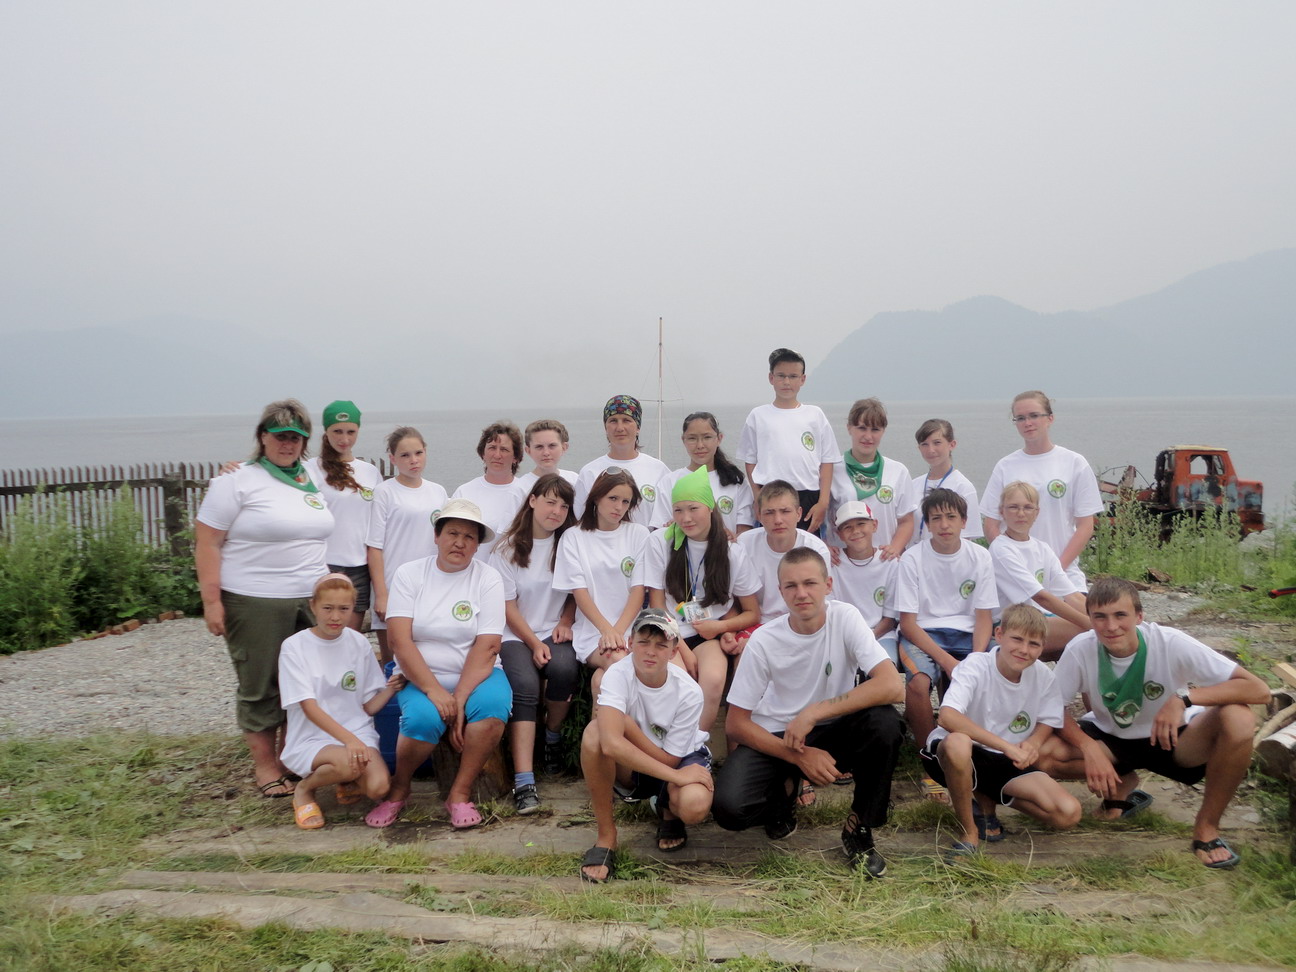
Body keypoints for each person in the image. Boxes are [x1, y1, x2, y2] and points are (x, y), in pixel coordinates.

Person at [1037, 578, 1269, 869]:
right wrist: (1088, 747)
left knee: (1239, 718)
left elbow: (1258, 690)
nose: (1111, 626)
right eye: (1100, 617)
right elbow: (1051, 707)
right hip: (1112, 738)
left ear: (1139, 616)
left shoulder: (1170, 642)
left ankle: (1207, 827)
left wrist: (1184, 698)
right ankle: (1123, 782)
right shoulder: (1081, 648)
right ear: (1090, 619)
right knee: (1043, 755)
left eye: (1120, 615)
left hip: (1174, 737)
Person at [713, 548, 904, 877]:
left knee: (885, 722)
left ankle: (858, 828)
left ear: (828, 585)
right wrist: (799, 757)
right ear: (780, 591)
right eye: (791, 586)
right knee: (730, 809)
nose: (801, 593)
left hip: (835, 729)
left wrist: (814, 712)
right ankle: (783, 797)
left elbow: (892, 685)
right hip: (779, 735)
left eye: (810, 583)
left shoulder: (846, 618)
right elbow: (736, 724)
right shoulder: (764, 640)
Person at [195, 399, 334, 799]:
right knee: (260, 685)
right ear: (262, 437)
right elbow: (207, 542)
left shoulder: (311, 476)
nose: (287, 444)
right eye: (280, 436)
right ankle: (265, 767)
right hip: (254, 598)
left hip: (310, 598)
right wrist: (211, 602)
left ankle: (292, 759)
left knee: (305, 683)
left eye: (295, 438)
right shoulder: (236, 481)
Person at [365, 498, 513, 830]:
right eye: (452, 533)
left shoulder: (487, 578)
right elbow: (400, 641)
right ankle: (400, 787)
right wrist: (434, 691)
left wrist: (458, 698)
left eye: (469, 537)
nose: (460, 542)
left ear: (477, 545)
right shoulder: (409, 574)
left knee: (492, 712)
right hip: (420, 675)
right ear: (437, 536)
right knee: (422, 719)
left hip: (476, 674)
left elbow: (488, 645)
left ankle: (459, 793)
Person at [922, 603, 1082, 858]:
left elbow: (1049, 719)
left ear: (1043, 647)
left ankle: (987, 794)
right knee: (958, 743)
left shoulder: (1043, 675)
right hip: (962, 753)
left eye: (1033, 644)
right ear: (999, 634)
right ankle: (969, 832)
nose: (1024, 650)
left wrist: (1034, 743)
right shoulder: (976, 665)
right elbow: (947, 716)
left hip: (1005, 760)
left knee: (1068, 813)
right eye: (1017, 639)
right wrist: (1006, 746)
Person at [578, 609, 715, 881]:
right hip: (644, 764)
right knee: (594, 734)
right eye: (643, 642)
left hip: (678, 759)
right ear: (630, 643)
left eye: (661, 645)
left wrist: (627, 727)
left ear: (673, 651)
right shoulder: (617, 674)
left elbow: (670, 760)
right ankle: (606, 836)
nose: (651, 652)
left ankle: (668, 809)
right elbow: (610, 744)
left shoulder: (689, 691)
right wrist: (627, 729)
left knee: (695, 805)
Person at [278, 573, 406, 830]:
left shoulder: (358, 642)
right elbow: (309, 708)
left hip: (356, 732)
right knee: (350, 761)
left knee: (379, 787)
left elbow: (368, 707)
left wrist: (392, 688)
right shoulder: (294, 647)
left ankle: (345, 778)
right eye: (328, 608)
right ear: (313, 606)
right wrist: (350, 741)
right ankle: (305, 789)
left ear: (352, 609)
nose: (335, 617)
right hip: (313, 735)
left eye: (344, 609)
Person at [894, 488, 997, 802]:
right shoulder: (912, 558)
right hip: (924, 633)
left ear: (964, 521)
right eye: (936, 518)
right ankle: (931, 763)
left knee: (993, 674)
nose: (944, 524)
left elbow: (983, 617)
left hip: (968, 635)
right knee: (918, 683)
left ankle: (984, 753)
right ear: (926, 524)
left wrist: (974, 661)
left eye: (951, 517)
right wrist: (949, 662)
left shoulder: (980, 556)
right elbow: (908, 624)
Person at [489, 474, 580, 813]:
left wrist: (566, 621)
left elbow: (576, 592)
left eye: (563, 506)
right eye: (550, 502)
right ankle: (524, 780)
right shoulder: (507, 547)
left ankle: (551, 738)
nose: (556, 511)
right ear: (532, 501)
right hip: (515, 633)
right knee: (525, 686)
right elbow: (507, 606)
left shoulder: (569, 544)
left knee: (565, 669)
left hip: (553, 630)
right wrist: (532, 642)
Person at [645, 466, 760, 731]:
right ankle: (667, 746)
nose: (685, 518)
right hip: (668, 631)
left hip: (709, 634)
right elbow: (657, 605)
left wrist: (720, 627)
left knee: (714, 680)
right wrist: (681, 648)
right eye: (678, 510)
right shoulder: (659, 542)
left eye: (693, 508)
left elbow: (752, 612)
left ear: (710, 507)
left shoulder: (732, 552)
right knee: (677, 678)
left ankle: (696, 745)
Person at [981, 390, 1104, 590]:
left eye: (1034, 415)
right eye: (1020, 418)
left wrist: (1055, 570)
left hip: (1064, 573)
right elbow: (991, 525)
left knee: (1081, 611)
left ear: (1050, 418)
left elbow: (1085, 526)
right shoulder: (1005, 466)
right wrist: (1013, 566)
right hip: (1017, 578)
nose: (1027, 423)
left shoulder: (1074, 463)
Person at [554, 467, 652, 694]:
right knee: (619, 662)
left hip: (633, 630)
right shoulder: (573, 537)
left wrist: (618, 632)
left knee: (602, 681)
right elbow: (580, 592)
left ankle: (600, 715)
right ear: (597, 497)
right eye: (613, 498)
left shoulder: (639, 534)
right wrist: (607, 631)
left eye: (626, 501)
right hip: (592, 632)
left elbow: (638, 590)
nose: (619, 507)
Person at [366, 427, 449, 665]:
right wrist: (381, 595)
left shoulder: (438, 492)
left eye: (418, 453)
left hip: (430, 588)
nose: (413, 460)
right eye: (405, 455)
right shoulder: (384, 492)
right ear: (392, 459)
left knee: (428, 662)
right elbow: (374, 547)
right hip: (394, 587)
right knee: (394, 665)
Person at [736, 348, 840, 533]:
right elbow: (750, 460)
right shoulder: (758, 416)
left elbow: (827, 460)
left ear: (802, 379)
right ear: (771, 378)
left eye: (793, 376)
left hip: (808, 496)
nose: (786, 382)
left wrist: (823, 501)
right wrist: (758, 496)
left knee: (807, 548)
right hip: (770, 495)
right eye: (781, 376)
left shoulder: (815, 415)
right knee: (772, 546)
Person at [988, 480, 1090, 655]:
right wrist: (1092, 624)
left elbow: (1072, 595)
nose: (1021, 513)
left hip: (1041, 617)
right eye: (1013, 507)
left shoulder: (1043, 548)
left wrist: (1103, 617)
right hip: (1012, 622)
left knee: (1105, 629)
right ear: (1001, 512)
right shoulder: (1001, 549)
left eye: (1028, 508)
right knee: (1089, 632)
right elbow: (1042, 598)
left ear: (1037, 512)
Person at [304, 400, 381, 630]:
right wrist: (238, 467)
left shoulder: (370, 472)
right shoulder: (311, 468)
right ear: (326, 431)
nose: (344, 439)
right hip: (323, 564)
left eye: (351, 432)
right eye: (337, 431)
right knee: (320, 635)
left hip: (360, 567)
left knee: (350, 637)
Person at [826, 398, 915, 560]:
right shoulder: (831, 470)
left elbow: (906, 521)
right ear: (849, 428)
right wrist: (824, 546)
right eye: (861, 428)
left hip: (884, 563)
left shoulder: (898, 471)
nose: (868, 436)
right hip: (842, 564)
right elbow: (818, 519)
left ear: (883, 431)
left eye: (875, 429)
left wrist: (894, 549)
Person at [736, 480, 831, 625]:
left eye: (785, 511)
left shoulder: (817, 549)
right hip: (757, 624)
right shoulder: (744, 544)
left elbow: (821, 602)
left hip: (800, 624)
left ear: (799, 513)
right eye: (769, 512)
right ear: (759, 516)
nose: (778, 520)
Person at [573, 395, 671, 528]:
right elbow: (581, 519)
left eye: (626, 420)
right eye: (613, 421)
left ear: (638, 427)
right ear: (605, 427)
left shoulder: (659, 470)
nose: (620, 428)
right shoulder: (589, 472)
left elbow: (668, 517)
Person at [829, 501, 899, 666]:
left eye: (861, 524)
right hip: (841, 636)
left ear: (874, 525)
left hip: (881, 635)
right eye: (847, 527)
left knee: (887, 668)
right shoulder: (832, 562)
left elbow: (889, 619)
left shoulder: (889, 561)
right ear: (839, 534)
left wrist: (866, 639)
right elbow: (831, 612)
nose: (855, 531)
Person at [664, 412, 754, 538]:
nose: (700, 445)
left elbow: (744, 533)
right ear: (683, 440)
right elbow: (661, 530)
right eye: (692, 438)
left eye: (707, 437)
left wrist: (728, 538)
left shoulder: (735, 481)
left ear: (719, 438)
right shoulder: (669, 482)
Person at [453, 422, 528, 562]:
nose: (497, 455)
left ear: (515, 457)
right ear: (483, 453)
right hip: (472, 571)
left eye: (504, 449)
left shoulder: (527, 493)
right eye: (492, 448)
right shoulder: (464, 492)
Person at [904, 419, 981, 548]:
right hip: (913, 556)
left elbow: (966, 538)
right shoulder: (913, 485)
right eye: (924, 444)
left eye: (937, 443)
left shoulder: (963, 487)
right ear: (919, 448)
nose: (931, 450)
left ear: (952, 444)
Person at [515, 419, 579, 493]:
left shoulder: (575, 481)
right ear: (528, 451)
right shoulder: (520, 488)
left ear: (564, 447)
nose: (546, 453)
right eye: (539, 447)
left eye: (552, 445)